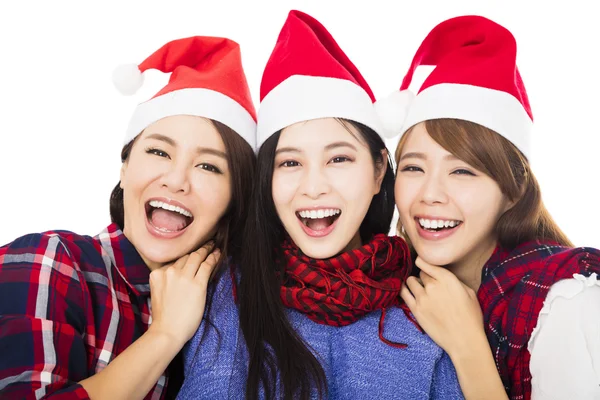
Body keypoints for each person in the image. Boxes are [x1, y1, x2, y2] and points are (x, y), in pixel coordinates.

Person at [178, 10, 463, 400]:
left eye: (339, 159)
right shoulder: (224, 292)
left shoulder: (429, 303)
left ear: (379, 169)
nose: (313, 187)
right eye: (290, 162)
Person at [0, 35, 257, 399]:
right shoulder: (50, 259)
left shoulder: (230, 311)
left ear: (235, 200)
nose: (177, 180)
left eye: (209, 166)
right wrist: (165, 334)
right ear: (124, 168)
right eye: (159, 152)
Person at [379, 15, 600, 400]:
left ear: (513, 192)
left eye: (463, 171)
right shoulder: (398, 294)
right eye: (414, 167)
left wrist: (467, 345)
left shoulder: (567, 299)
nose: (430, 193)